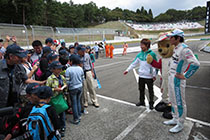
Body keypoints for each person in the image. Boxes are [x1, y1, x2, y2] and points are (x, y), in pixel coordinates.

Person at [163, 29, 200, 133]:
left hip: (178, 80)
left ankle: (180, 123)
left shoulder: (185, 49)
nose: (170, 39)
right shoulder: (176, 48)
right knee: (172, 99)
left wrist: (185, 75)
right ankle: (175, 118)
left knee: (180, 102)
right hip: (171, 77)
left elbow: (195, 64)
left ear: (178, 38)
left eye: (172, 37)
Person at [124, 38, 157, 110]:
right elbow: (134, 63)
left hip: (149, 76)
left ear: (147, 45)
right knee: (141, 89)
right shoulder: (139, 54)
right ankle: (142, 101)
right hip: (141, 76)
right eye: (140, 44)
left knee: (151, 91)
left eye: (142, 45)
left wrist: (154, 75)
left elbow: (155, 65)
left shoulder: (152, 54)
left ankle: (151, 103)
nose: (141, 46)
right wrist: (127, 70)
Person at [46, 61, 67, 137]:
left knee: (62, 114)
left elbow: (65, 84)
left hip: (60, 97)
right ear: (53, 69)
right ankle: (56, 129)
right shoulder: (50, 79)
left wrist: (64, 87)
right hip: (53, 99)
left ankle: (63, 127)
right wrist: (54, 89)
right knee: (54, 115)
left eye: (60, 68)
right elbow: (47, 89)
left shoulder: (62, 77)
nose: (60, 70)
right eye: (58, 69)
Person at [65, 54, 84, 125]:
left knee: (74, 103)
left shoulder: (68, 70)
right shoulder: (80, 68)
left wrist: (67, 88)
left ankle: (76, 119)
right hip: (80, 87)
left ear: (71, 61)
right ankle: (79, 115)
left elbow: (68, 81)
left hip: (73, 88)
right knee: (78, 101)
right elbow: (82, 79)